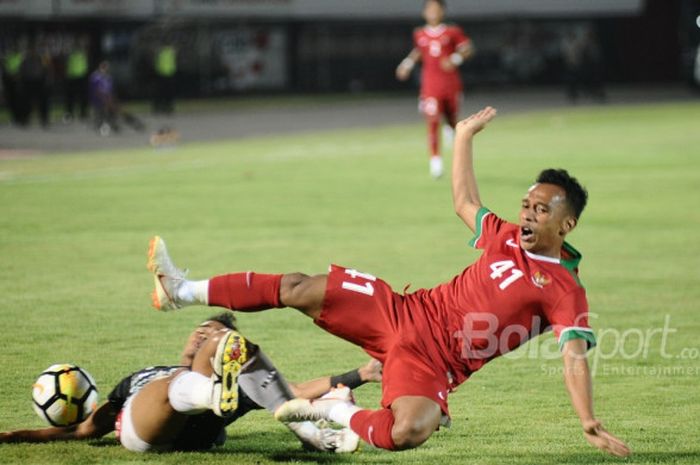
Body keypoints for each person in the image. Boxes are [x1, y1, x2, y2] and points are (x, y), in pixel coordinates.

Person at [146, 106, 630, 457]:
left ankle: (332, 411)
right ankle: (179, 290)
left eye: (540, 211)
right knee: (298, 287)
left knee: (410, 431)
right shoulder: (503, 235)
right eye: (526, 205)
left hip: (435, 362)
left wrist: (587, 420)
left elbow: (573, 356)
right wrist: (463, 137)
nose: (525, 215)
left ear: (565, 226)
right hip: (401, 311)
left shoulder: (566, 289)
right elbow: (464, 202)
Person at [0, 312, 381, 453]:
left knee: (250, 369)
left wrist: (360, 374)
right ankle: (212, 393)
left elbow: (293, 392)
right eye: (199, 331)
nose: (200, 336)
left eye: (209, 333)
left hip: (194, 427)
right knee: (177, 384)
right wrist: (13, 435)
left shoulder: (240, 379)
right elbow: (83, 430)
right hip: (148, 427)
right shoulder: (152, 376)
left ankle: (306, 427)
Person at [396, 0, 473, 179]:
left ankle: (451, 135)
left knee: (453, 119)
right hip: (430, 85)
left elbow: (468, 49)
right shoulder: (419, 33)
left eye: (436, 9)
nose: (432, 12)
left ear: (443, 12)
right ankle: (435, 162)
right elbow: (419, 51)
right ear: (424, 12)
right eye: (429, 9)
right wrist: (406, 64)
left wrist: (455, 59)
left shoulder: (452, 31)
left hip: (451, 84)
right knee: (431, 121)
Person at [64, 36, 90, 122]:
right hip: (72, 78)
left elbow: (85, 66)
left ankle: (83, 113)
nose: (77, 46)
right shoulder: (71, 55)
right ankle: (70, 113)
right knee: (71, 97)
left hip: (81, 77)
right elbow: (67, 66)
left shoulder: (82, 54)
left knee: (82, 97)